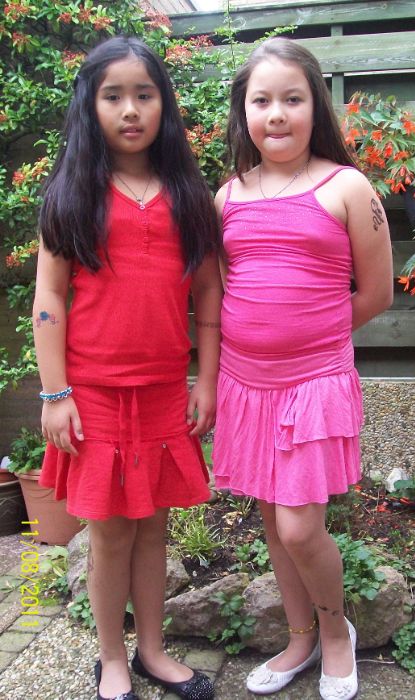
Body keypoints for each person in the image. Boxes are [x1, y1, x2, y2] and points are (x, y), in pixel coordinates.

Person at [33, 36, 222, 700]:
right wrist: (54, 393)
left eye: (144, 95)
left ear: (164, 104)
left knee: (155, 528)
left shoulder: (187, 195)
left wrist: (206, 380)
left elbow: (207, 293)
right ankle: (111, 657)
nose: (131, 110)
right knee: (110, 533)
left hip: (167, 391)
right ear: (91, 105)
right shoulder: (72, 193)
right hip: (94, 394)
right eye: (113, 96)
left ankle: (153, 652)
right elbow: (49, 297)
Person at [212, 37, 393, 700]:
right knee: (272, 522)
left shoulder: (346, 186)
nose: (277, 113)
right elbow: (221, 293)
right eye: (262, 100)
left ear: (315, 106)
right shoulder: (227, 196)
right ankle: (299, 638)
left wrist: (310, 341)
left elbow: (377, 293)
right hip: (245, 386)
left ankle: (336, 633)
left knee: (299, 526)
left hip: (314, 385)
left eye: (292, 99)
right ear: (244, 112)